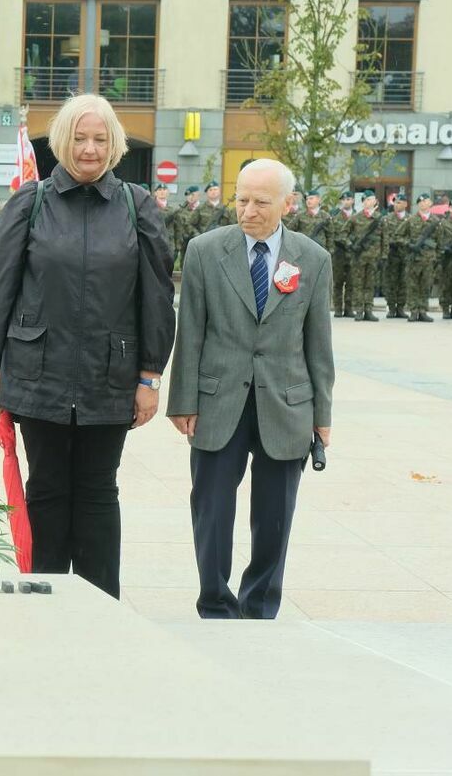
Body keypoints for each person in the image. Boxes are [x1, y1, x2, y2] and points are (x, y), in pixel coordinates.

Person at [0, 93, 175, 598]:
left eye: (100, 139)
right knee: (44, 490)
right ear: (63, 141)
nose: (89, 149)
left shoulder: (137, 206)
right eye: (80, 138)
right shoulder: (31, 202)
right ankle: (44, 601)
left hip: (111, 375)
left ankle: (99, 604)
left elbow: (156, 296)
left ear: (114, 145)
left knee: (97, 491)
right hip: (36, 371)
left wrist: (150, 376)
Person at [166, 158, 334, 620]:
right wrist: (182, 401)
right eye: (241, 199)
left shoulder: (313, 259)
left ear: (288, 204)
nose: (249, 211)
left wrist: (322, 416)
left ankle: (260, 603)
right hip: (219, 402)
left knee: (275, 516)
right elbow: (191, 332)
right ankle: (215, 602)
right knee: (212, 509)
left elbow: (319, 345)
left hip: (287, 405)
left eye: (261, 202)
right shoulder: (204, 251)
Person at [399, 193, 438, 322]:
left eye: (425, 201)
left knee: (426, 286)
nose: (423, 203)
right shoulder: (410, 220)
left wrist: (437, 255)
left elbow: (441, 240)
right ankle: (413, 311)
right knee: (412, 286)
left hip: (429, 260)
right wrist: (410, 245)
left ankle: (423, 311)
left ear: (430, 203)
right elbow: (398, 236)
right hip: (414, 259)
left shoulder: (436, 222)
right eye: (420, 202)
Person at [347, 190, 384, 322]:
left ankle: (368, 310)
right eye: (368, 199)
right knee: (358, 284)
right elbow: (342, 234)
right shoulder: (355, 218)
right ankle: (359, 310)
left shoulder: (380, 218)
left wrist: (383, 256)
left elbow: (384, 239)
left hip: (374, 257)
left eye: (373, 199)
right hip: (359, 257)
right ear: (363, 202)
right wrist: (351, 245)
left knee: (370, 284)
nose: (371, 201)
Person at [380, 192, 409, 318]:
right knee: (390, 282)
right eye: (395, 202)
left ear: (405, 204)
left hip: (405, 255)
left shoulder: (410, 219)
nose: (396, 205)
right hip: (391, 255)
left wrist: (403, 242)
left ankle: (401, 308)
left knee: (404, 282)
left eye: (399, 202)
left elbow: (412, 236)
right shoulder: (387, 218)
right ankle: (391, 308)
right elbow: (384, 236)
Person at [329, 191, 356, 317]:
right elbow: (332, 234)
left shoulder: (358, 216)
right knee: (338, 282)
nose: (346, 201)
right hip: (338, 253)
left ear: (353, 201)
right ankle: (338, 308)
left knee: (351, 282)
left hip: (353, 253)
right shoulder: (335, 216)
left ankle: (349, 308)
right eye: (344, 199)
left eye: (349, 199)